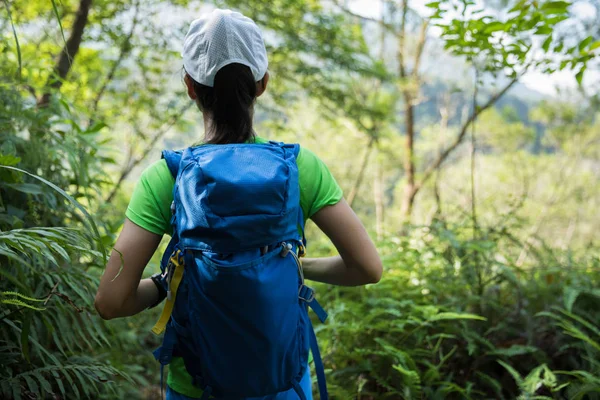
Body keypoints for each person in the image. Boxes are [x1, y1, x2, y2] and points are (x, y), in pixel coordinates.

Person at [94, 8, 382, 400]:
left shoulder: (168, 178)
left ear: (190, 86)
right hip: (284, 383)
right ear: (261, 83)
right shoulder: (299, 168)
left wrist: (168, 284)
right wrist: (294, 264)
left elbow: (111, 302)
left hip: (196, 387)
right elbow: (367, 268)